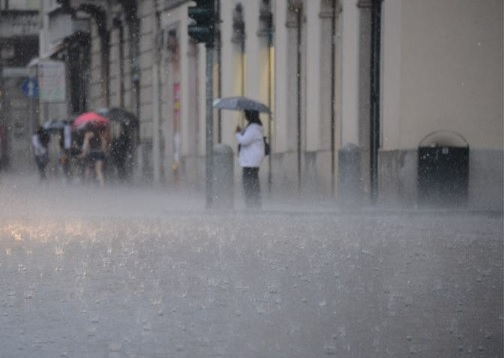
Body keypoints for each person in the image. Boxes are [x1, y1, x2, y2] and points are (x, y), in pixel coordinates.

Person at [235, 110, 265, 209]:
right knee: (252, 181)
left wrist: (238, 134)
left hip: (250, 161)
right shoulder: (254, 127)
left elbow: (244, 141)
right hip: (252, 160)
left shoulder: (253, 128)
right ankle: (254, 202)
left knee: (249, 182)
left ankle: (252, 202)